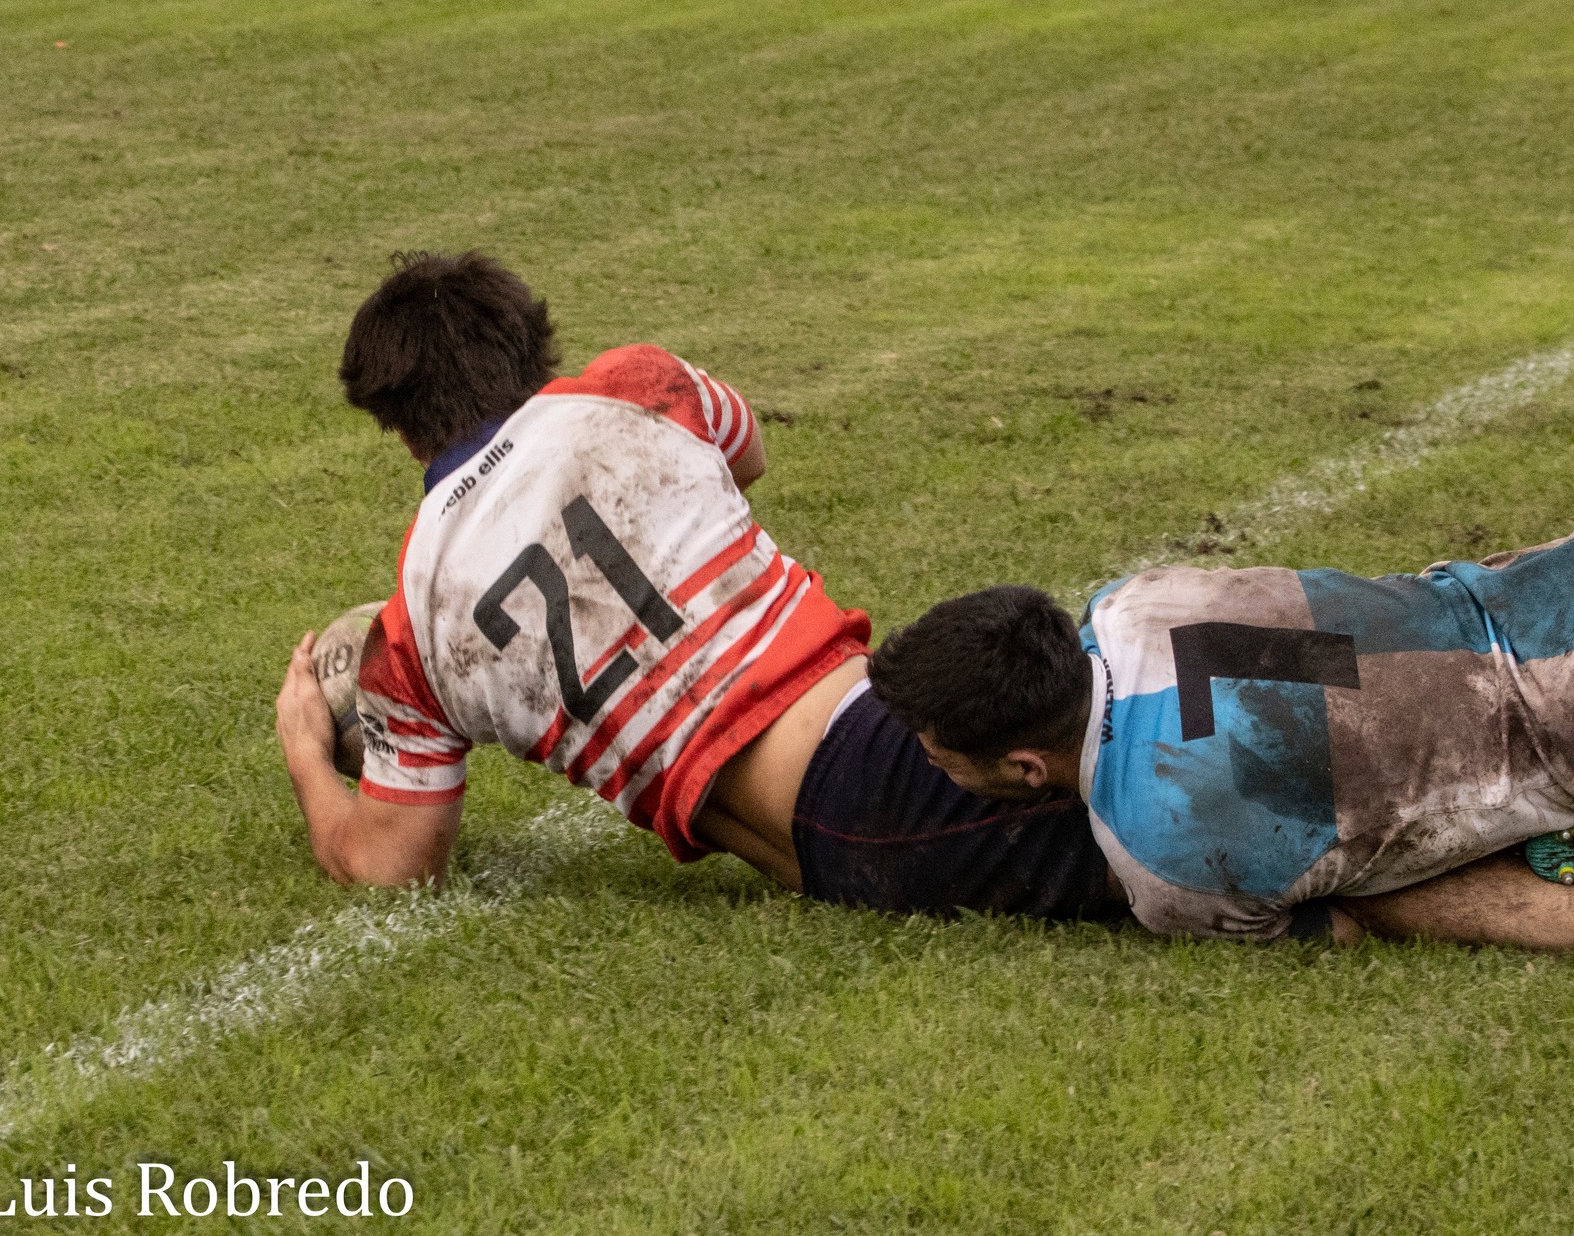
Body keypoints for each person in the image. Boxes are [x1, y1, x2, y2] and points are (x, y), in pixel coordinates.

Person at [272, 252, 1122, 921]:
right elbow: (746, 454)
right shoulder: (636, 386)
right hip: (884, 760)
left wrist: (311, 757)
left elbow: (390, 866)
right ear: (534, 347)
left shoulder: (412, 628)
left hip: (843, 845)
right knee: (1188, 769)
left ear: (397, 426)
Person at [869, 507, 1574, 958]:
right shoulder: (1135, 598)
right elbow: (1332, 669)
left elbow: (1353, 921)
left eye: (940, 752)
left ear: (1024, 764)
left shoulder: (1157, 867)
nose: (930, 766)